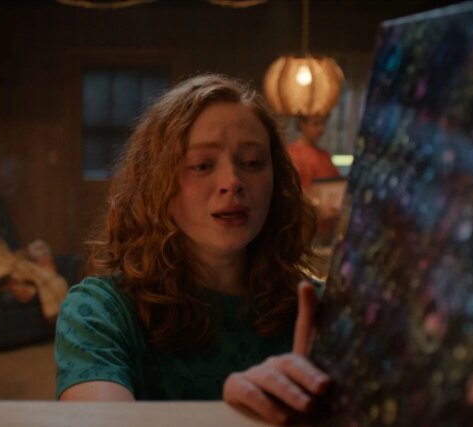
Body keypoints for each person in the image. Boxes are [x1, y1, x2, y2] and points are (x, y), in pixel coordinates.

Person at [54, 74, 330, 424]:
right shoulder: (100, 312)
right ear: (158, 183)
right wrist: (226, 418)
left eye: (252, 162)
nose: (232, 182)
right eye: (202, 165)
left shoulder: (320, 309)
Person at [286, 115, 340, 193]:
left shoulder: (325, 155)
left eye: (323, 123)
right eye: (316, 124)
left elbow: (337, 183)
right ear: (302, 125)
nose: (321, 129)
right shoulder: (292, 154)